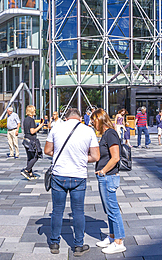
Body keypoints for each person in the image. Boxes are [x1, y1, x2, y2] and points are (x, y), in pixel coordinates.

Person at [46, 108, 100, 256]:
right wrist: (81, 158)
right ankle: (78, 245)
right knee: (78, 212)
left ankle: (55, 243)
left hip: (59, 175)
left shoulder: (56, 128)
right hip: (78, 176)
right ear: (80, 118)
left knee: (57, 211)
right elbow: (96, 156)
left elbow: (47, 150)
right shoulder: (88, 131)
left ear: (67, 117)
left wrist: (61, 156)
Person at [91, 109, 127, 254]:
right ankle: (112, 237)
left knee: (113, 210)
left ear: (100, 119)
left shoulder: (111, 134)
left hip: (109, 177)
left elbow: (115, 157)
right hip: (105, 177)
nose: (92, 123)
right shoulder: (106, 134)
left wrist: (103, 171)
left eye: (94, 120)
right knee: (109, 209)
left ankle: (119, 241)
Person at [22, 105, 47, 179]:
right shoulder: (31, 120)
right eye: (34, 110)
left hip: (26, 139)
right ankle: (26, 170)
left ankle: (30, 173)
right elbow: (32, 131)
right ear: (31, 111)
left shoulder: (25, 119)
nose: (35, 111)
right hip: (31, 140)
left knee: (30, 157)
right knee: (36, 156)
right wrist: (40, 126)